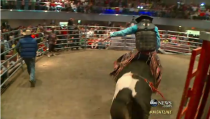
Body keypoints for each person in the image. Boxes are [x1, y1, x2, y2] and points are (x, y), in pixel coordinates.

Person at [103, 15, 162, 88]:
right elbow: (158, 41)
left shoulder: (136, 27)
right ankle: (155, 83)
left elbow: (123, 32)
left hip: (139, 51)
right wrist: (155, 50)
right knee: (158, 66)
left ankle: (118, 71)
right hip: (150, 52)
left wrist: (111, 34)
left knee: (124, 60)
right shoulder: (155, 28)